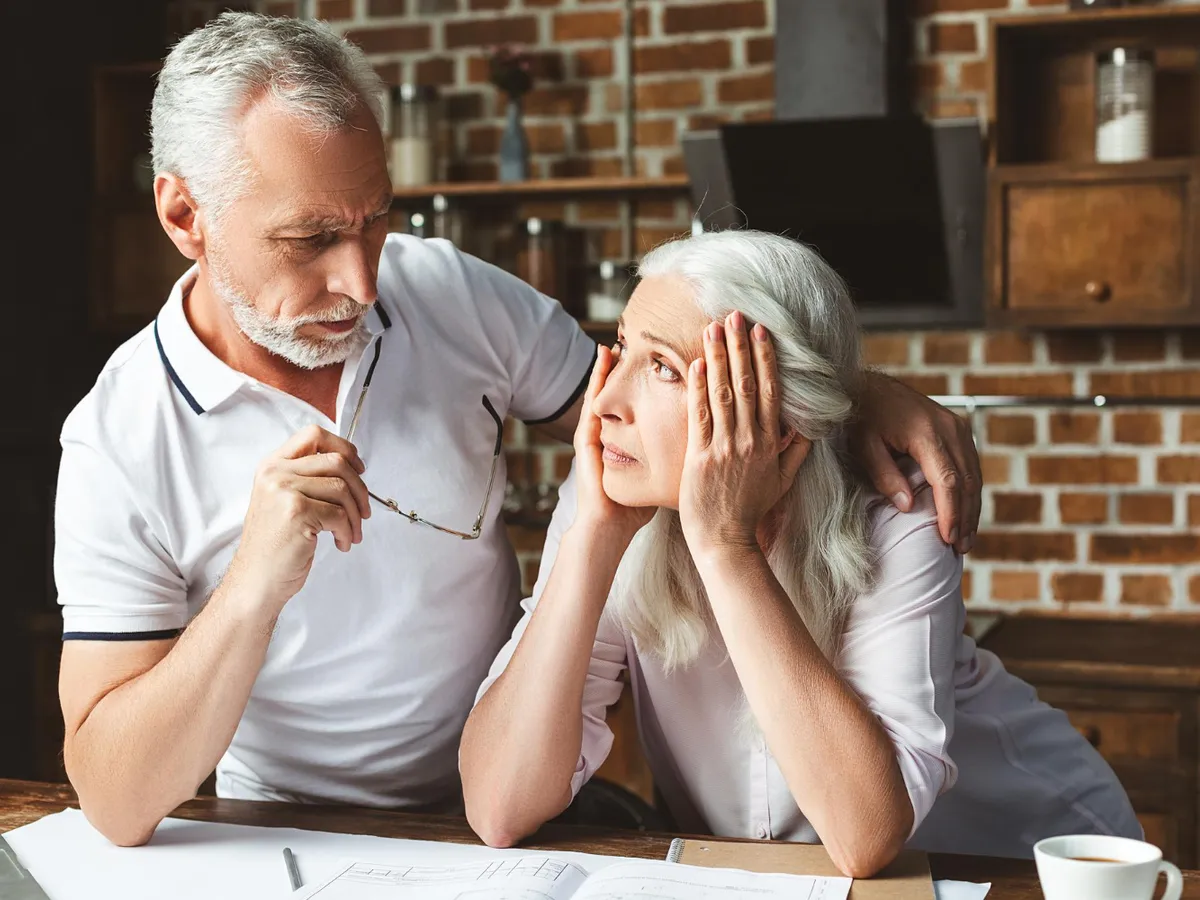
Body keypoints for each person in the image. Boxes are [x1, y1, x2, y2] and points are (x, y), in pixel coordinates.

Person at [56, 14, 983, 847]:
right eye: (310, 241)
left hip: (507, 804)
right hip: (291, 826)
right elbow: (112, 797)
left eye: (377, 219)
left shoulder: (447, 293)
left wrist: (843, 393)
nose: (365, 284)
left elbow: (661, 411)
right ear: (185, 216)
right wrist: (252, 586)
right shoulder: (118, 438)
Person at [460, 231, 1140, 876]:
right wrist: (593, 544)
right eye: (621, 349)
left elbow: (865, 836)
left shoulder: (897, 515)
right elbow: (499, 808)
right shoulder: (609, 496)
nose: (603, 401)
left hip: (1025, 859)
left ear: (773, 414)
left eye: (662, 367)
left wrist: (725, 544)